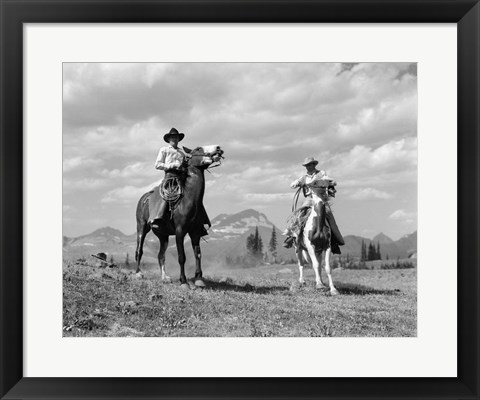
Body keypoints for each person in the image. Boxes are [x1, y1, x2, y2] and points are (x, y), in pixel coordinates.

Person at [283, 157, 345, 253]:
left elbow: (330, 181)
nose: (308, 167)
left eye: (310, 165)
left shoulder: (321, 173)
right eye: (306, 165)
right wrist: (296, 183)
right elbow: (293, 184)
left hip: (321, 198)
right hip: (309, 199)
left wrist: (330, 183)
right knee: (299, 215)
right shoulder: (304, 177)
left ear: (314, 165)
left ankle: (335, 241)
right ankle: (292, 236)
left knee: (330, 217)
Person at [149, 127, 192, 228]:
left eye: (176, 137)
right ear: (169, 139)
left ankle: (199, 222)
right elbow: (157, 165)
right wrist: (172, 165)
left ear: (178, 139)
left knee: (194, 194)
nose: (174, 139)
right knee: (169, 193)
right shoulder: (164, 150)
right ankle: (158, 217)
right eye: (172, 137)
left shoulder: (182, 152)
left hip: (182, 177)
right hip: (170, 177)